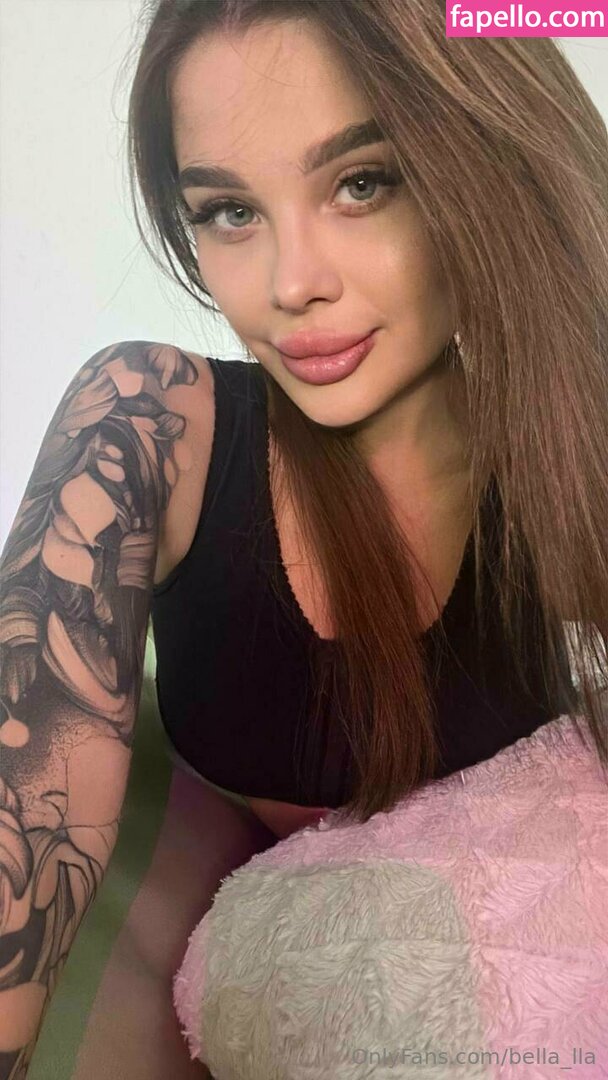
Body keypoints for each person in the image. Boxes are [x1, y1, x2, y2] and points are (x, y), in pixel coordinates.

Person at [1, 0, 607, 1075]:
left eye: (362, 183)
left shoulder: (559, 449)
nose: (290, 284)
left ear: (493, 165)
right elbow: (25, 804)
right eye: (230, 211)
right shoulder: (147, 422)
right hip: (186, 938)